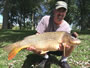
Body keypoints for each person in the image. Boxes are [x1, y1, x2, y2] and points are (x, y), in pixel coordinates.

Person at [27, 1, 78, 68]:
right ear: (54, 11)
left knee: (72, 42)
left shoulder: (67, 27)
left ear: (65, 13)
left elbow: (67, 43)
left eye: (63, 11)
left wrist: (64, 47)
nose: (60, 13)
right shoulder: (45, 19)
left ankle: (63, 60)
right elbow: (38, 34)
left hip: (58, 48)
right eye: (58, 10)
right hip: (45, 46)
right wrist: (33, 45)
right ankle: (46, 57)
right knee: (34, 45)